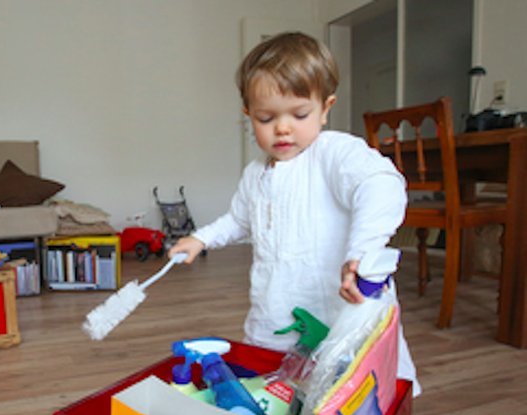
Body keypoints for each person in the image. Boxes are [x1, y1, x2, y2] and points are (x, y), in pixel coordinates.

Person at [169, 32, 419, 394]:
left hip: (341, 308)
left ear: (326, 107)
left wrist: (363, 251)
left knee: (348, 395)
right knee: (280, 391)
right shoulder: (256, 173)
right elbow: (239, 220)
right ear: (248, 116)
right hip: (277, 308)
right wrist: (201, 238)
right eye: (266, 118)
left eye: (299, 114)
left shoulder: (334, 153)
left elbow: (382, 185)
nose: (283, 128)